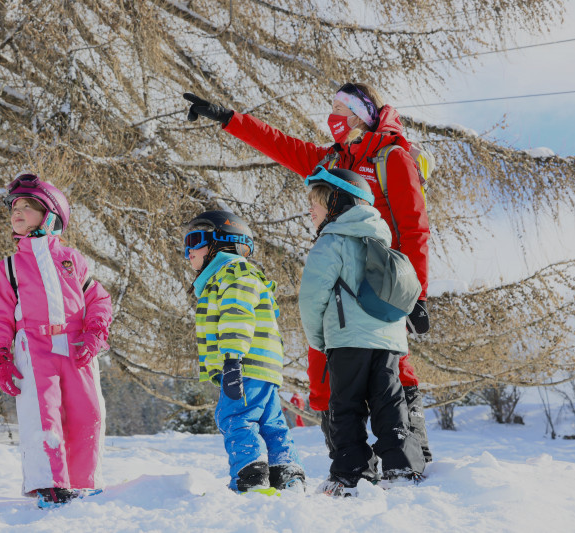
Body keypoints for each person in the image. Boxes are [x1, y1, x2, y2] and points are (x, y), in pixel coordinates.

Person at [184, 84, 433, 462]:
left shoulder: (391, 157)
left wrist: (418, 294)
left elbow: (415, 228)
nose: (332, 116)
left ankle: (413, 453)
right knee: (325, 368)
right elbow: (281, 145)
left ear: (361, 113)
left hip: (382, 281)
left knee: (393, 366)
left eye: (339, 108)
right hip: (338, 281)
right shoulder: (331, 161)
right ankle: (348, 463)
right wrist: (228, 118)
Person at [0, 173, 112, 509]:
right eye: (14, 207)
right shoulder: (8, 268)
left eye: (27, 206)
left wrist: (95, 332)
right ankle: (50, 485)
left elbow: (98, 299)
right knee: (43, 415)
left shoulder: (72, 260)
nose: (17, 212)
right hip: (34, 348)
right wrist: (1, 356)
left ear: (50, 215)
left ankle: (83, 482)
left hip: (77, 347)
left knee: (89, 413)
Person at [299, 166, 425, 497]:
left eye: (315, 203)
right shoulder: (382, 240)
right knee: (389, 402)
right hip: (389, 342)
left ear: (337, 203)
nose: (310, 211)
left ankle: (351, 472)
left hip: (347, 340)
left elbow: (312, 298)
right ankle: (401, 465)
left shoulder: (331, 242)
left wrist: (319, 340)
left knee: (346, 406)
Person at [184, 210, 305, 494]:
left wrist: (231, 360)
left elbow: (237, 316)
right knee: (270, 422)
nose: (188, 251)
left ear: (223, 244)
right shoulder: (237, 276)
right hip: (261, 366)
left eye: (195, 240)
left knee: (235, 417)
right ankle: (286, 474)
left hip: (243, 363)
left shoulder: (232, 273)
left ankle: (250, 476)